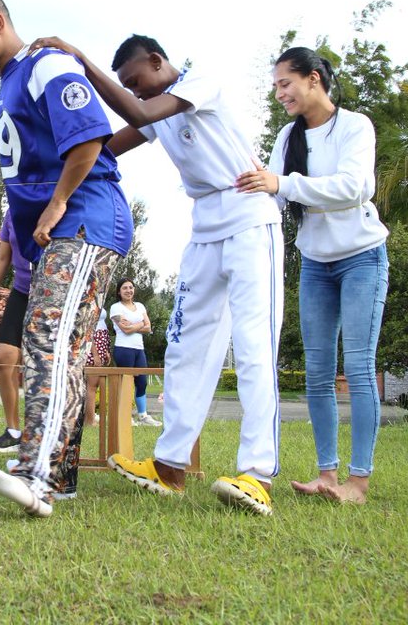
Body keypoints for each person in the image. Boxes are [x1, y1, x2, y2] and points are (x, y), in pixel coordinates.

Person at [30, 33, 282, 516]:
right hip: (205, 226)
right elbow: (106, 147)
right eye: (128, 86)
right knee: (185, 346)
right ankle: (169, 467)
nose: (135, 91)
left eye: (136, 81)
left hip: (251, 219)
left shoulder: (198, 83)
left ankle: (256, 475)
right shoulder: (156, 110)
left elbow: (141, 114)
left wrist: (81, 59)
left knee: (253, 346)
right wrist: (57, 152)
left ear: (158, 61)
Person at [0, 0, 132, 517]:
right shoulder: (8, 84)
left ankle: (37, 475)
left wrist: (55, 206)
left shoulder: (44, 64)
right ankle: (62, 475)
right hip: (62, 227)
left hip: (85, 217)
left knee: (47, 338)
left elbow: (89, 139)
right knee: (64, 350)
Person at [235, 47, 389, 505]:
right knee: (317, 374)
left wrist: (282, 183)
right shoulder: (289, 135)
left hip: (363, 257)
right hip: (317, 264)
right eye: (277, 85)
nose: (279, 92)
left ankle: (358, 483)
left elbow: (356, 187)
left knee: (359, 368)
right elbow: (273, 197)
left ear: (314, 79)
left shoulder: (355, 126)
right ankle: (327, 476)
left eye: (286, 83)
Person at [0, 209, 32, 452]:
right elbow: (2, 257)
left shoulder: (54, 198)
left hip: (53, 293)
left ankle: (43, 434)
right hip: (21, 291)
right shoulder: (13, 211)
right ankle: (13, 431)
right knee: (2, 356)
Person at [109, 278, 160, 426]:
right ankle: (126, 416)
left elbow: (149, 327)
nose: (128, 290)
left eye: (131, 287)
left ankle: (143, 416)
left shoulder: (140, 306)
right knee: (126, 383)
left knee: (142, 382)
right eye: (125, 288)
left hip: (139, 349)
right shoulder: (116, 307)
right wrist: (141, 324)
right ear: (119, 291)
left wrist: (135, 326)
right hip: (124, 349)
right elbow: (125, 329)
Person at [84, 304, 111, 426]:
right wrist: (95, 353)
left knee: (94, 386)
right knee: (92, 386)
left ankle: (89, 418)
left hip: (101, 344)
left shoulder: (99, 297)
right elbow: (88, 330)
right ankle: (90, 420)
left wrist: (105, 350)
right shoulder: (89, 301)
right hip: (94, 347)